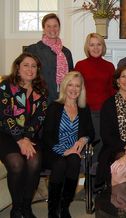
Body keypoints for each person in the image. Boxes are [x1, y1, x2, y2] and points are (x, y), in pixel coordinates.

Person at [0, 53, 47, 218]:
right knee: (16, 163)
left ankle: (26, 207)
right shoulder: (6, 86)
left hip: (29, 135)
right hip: (6, 134)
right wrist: (19, 139)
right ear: (18, 68)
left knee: (34, 161)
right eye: (26, 65)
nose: (30, 69)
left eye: (34, 66)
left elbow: (39, 118)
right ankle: (16, 207)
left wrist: (26, 138)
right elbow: (6, 116)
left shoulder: (41, 91)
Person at [42, 71, 94, 218]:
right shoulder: (55, 107)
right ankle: (53, 209)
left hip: (74, 151)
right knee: (60, 164)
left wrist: (84, 139)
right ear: (65, 86)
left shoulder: (84, 109)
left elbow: (91, 132)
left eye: (77, 86)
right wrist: (63, 150)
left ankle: (64, 206)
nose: (74, 89)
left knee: (74, 160)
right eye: (70, 84)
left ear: (81, 89)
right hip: (53, 150)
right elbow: (47, 135)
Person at [75, 33, 115, 165]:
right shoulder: (80, 65)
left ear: (103, 47)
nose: (95, 48)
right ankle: (86, 175)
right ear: (87, 47)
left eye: (99, 44)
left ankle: (96, 179)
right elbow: (75, 90)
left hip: (104, 113)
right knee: (85, 145)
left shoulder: (109, 66)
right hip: (85, 112)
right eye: (92, 44)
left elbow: (112, 91)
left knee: (101, 146)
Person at [26, 13, 73, 104]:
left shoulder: (66, 52)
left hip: (62, 99)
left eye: (55, 26)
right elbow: (25, 76)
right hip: (40, 100)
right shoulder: (33, 50)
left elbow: (71, 78)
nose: (52, 29)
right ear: (43, 28)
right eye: (48, 26)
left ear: (59, 28)